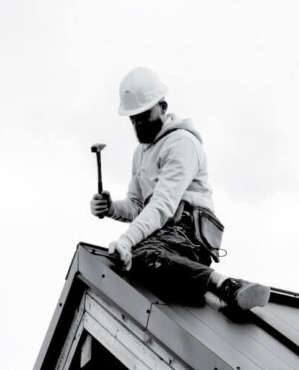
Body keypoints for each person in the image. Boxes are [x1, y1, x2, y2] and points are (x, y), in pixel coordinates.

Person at [90, 67, 270, 310]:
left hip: (186, 232)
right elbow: (137, 206)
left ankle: (228, 285)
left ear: (163, 108)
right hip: (162, 234)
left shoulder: (182, 143)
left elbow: (162, 204)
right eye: (134, 118)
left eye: (145, 115)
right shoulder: (140, 154)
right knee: (134, 262)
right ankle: (204, 282)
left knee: (143, 256)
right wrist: (111, 208)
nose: (139, 123)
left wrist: (126, 241)